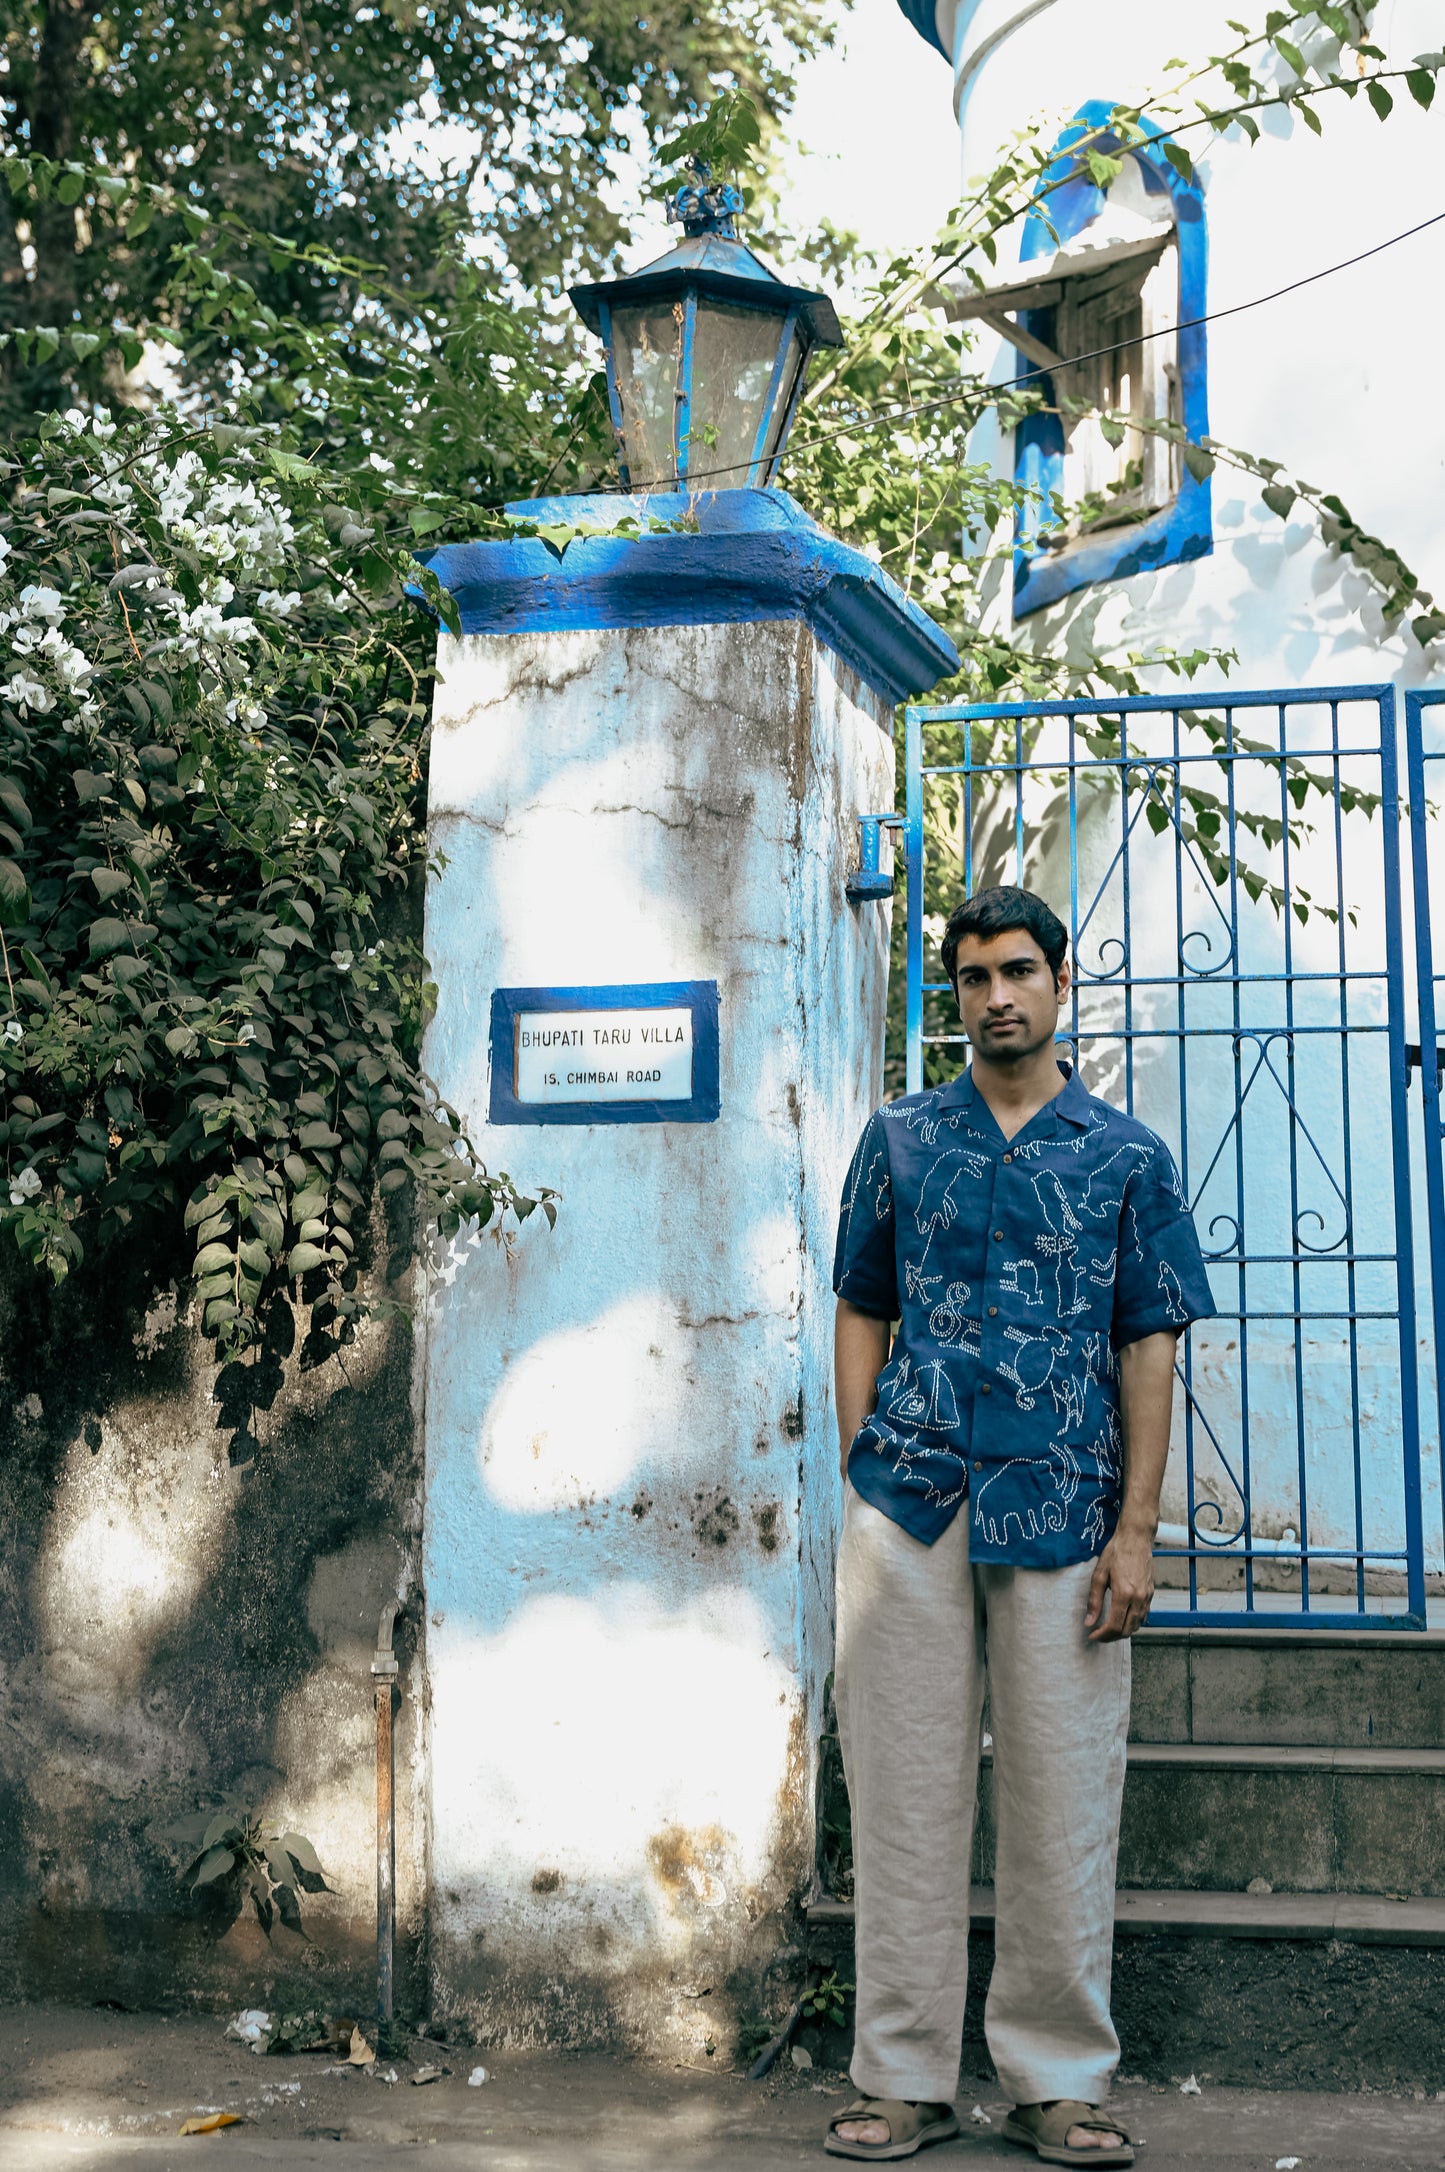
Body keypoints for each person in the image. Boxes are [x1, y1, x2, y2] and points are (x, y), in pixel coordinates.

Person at [824, 886, 1214, 2167]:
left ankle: (1056, 2081)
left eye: (1017, 972)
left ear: (1058, 985)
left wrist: (1139, 1531)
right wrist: (858, 1457)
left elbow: (1147, 1341)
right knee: (901, 1795)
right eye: (971, 976)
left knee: (1059, 1799)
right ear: (953, 997)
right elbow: (859, 1303)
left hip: (1066, 1507)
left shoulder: (1124, 1157)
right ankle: (902, 2077)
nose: (995, 995)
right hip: (911, 1506)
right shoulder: (897, 1140)